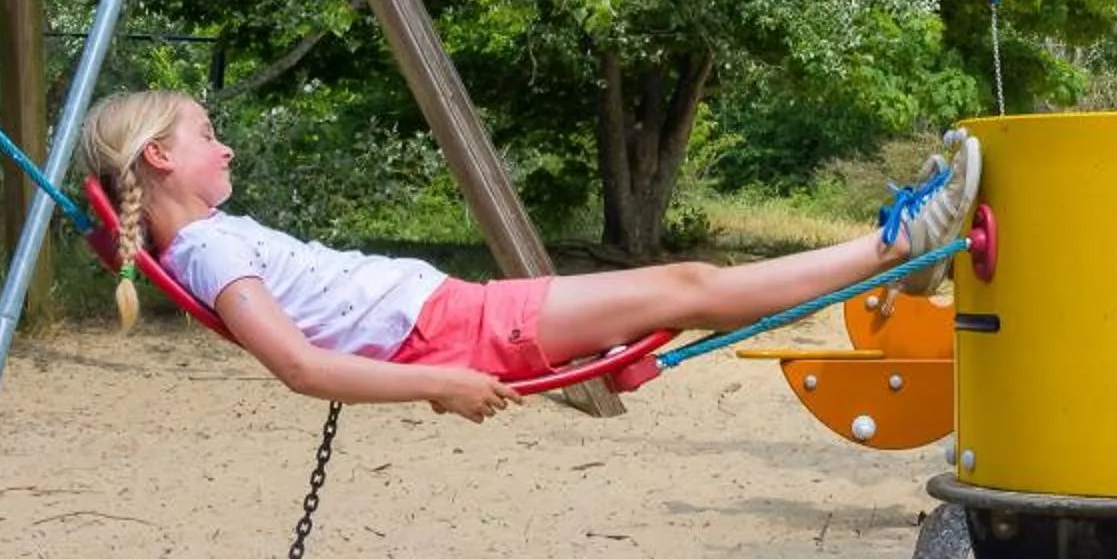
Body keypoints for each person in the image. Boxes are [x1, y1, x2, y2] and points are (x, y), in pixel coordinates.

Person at [78, 90, 979, 422]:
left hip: (454, 317)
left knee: (686, 290)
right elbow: (302, 367)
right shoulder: (203, 248)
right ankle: (900, 244)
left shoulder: (201, 242)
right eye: (206, 135)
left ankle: (898, 254)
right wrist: (441, 382)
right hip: (457, 332)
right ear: (159, 158)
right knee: (691, 284)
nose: (224, 148)